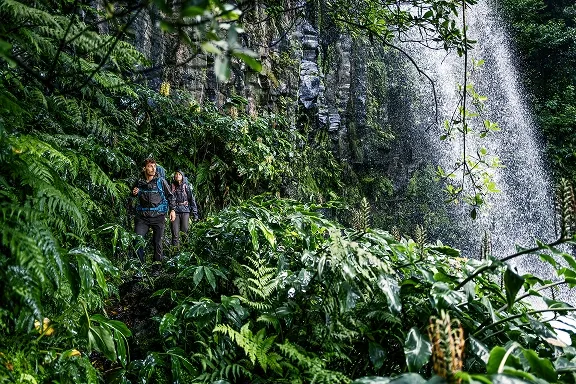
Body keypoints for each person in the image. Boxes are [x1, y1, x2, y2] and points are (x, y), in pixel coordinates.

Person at [131, 158, 176, 262]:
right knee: (138, 241)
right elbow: (132, 196)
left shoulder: (161, 181)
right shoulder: (139, 182)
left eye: (154, 166)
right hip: (142, 217)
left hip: (158, 216)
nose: (153, 169)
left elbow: (170, 196)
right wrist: (133, 193)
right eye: (150, 166)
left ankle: (157, 267)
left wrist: (172, 210)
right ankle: (139, 269)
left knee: (157, 242)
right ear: (144, 168)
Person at [170, 170, 199, 246]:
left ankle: (186, 251)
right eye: (176, 174)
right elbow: (168, 199)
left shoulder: (186, 186)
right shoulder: (172, 186)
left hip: (185, 211)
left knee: (184, 233)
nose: (177, 176)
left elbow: (191, 200)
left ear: (182, 176)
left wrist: (195, 214)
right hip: (175, 211)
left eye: (179, 174)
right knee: (175, 233)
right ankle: (175, 253)